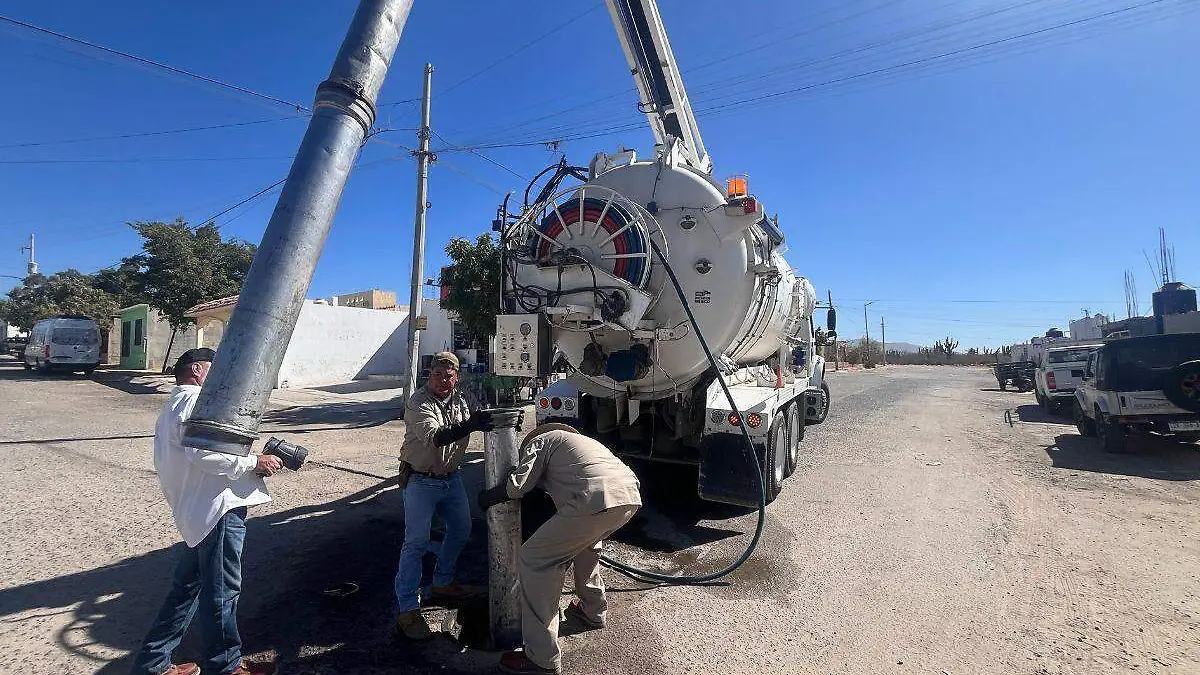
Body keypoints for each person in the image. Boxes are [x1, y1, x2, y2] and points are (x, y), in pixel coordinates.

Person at [130, 348, 281, 675]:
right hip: (217, 511)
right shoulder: (195, 400)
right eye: (215, 368)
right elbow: (203, 454)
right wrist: (255, 462)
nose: (222, 376)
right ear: (197, 369)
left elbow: (197, 455)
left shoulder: (174, 404)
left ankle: (153, 664)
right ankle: (225, 666)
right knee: (223, 592)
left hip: (198, 513)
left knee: (185, 592)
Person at [479, 424, 642, 675]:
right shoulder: (580, 444)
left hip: (594, 499)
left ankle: (541, 657)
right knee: (587, 545)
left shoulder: (540, 441)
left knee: (535, 560)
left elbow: (518, 486)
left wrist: (489, 496)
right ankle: (593, 610)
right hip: (628, 495)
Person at [394, 351, 493, 640]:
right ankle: (407, 609)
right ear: (429, 375)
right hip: (421, 481)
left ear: (456, 377)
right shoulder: (418, 402)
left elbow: (479, 417)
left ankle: (442, 581)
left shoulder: (460, 400)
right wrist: (472, 424)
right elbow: (436, 437)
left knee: (462, 529)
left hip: (451, 478)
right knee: (415, 542)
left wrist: (493, 418)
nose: (442, 380)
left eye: (448, 375)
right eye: (437, 374)